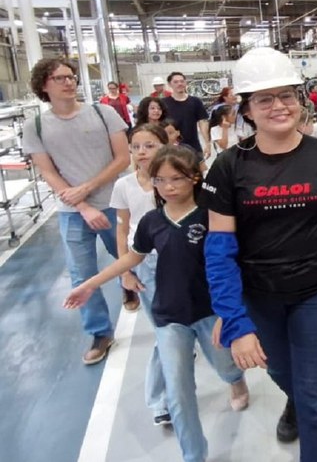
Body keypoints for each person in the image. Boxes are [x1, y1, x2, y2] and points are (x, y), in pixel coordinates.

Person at [200, 47, 317, 462]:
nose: (278, 106)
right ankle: (296, 398)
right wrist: (234, 318)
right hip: (260, 295)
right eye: (264, 99)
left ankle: (307, 406)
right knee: (281, 372)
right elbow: (219, 250)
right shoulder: (228, 166)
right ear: (246, 109)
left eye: (286, 95)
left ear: (300, 100)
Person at [63, 145, 249, 462]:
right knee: (178, 392)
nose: (168, 187)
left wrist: (231, 313)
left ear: (194, 178)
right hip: (169, 315)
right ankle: (194, 455)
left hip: (210, 311)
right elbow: (132, 257)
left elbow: (234, 264)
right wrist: (90, 284)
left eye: (176, 178)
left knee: (225, 365)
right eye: (160, 180)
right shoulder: (152, 221)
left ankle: (235, 381)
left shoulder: (211, 216)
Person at [23, 58, 131, 364]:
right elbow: (48, 172)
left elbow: (122, 158)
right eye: (59, 78)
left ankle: (162, 319)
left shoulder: (103, 113)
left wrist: (87, 188)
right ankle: (100, 332)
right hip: (72, 211)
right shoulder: (36, 126)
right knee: (81, 273)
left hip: (114, 202)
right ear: (44, 85)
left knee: (133, 260)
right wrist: (82, 205)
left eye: (71, 76)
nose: (69, 82)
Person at [110, 123, 171, 425]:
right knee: (164, 331)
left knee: (185, 327)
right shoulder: (124, 186)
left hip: (181, 261)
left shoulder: (175, 181)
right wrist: (126, 272)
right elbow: (122, 229)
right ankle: (160, 401)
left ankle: (231, 376)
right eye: (136, 147)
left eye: (149, 145)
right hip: (146, 263)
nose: (142, 152)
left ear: (165, 147)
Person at [161, 72, 212, 158]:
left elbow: (203, 122)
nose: (179, 84)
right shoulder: (164, 103)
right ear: (169, 84)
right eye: (176, 82)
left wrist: (207, 143)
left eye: (182, 81)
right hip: (171, 149)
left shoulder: (195, 101)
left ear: (185, 83)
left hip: (193, 147)